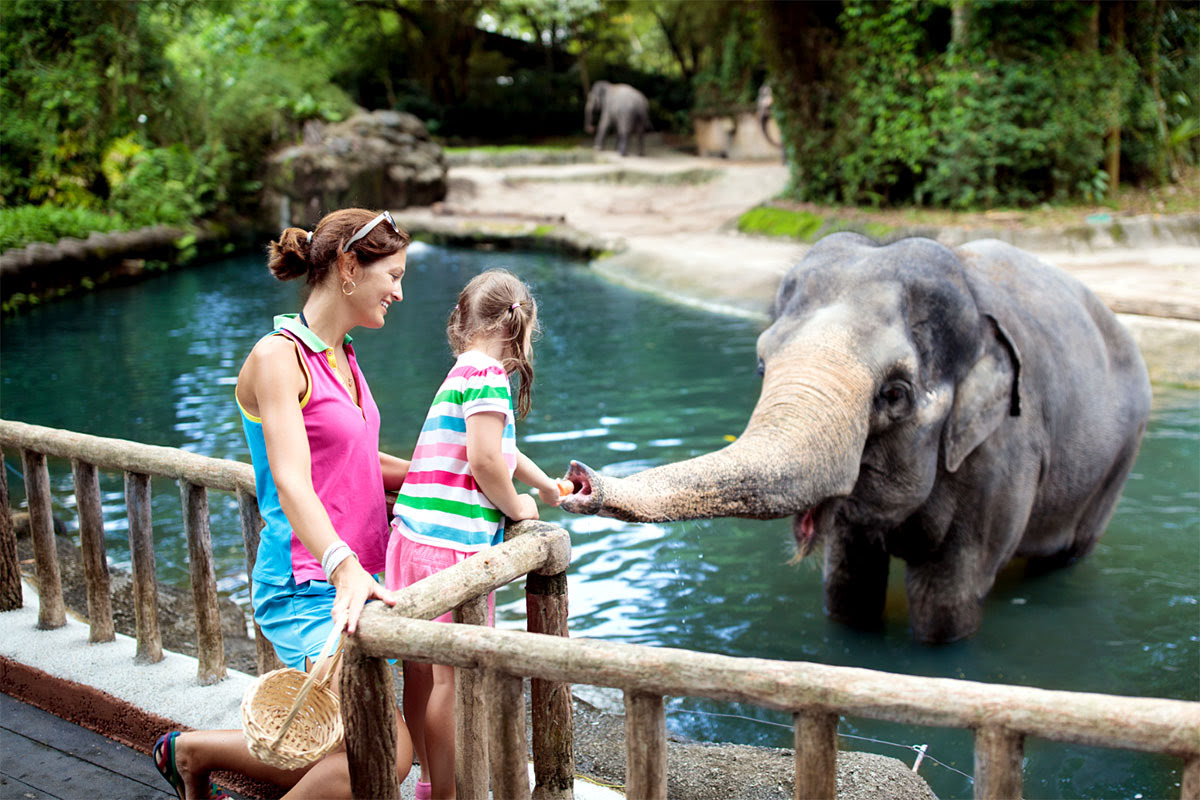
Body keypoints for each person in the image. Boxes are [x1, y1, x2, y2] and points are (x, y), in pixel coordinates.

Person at [152, 208, 415, 800]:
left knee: (332, 741)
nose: (398, 292)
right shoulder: (278, 357)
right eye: (392, 276)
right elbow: (293, 480)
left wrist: (450, 478)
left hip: (359, 578)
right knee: (387, 751)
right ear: (349, 267)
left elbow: (358, 463)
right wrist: (343, 565)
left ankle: (190, 751)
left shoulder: (344, 356)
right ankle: (189, 752)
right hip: (308, 583)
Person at [386, 269, 564, 800]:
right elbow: (486, 462)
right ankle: (447, 793)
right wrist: (517, 505)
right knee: (451, 680)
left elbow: (502, 448)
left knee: (419, 671)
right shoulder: (490, 376)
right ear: (520, 329)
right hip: (451, 548)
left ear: (464, 323)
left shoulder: (464, 371)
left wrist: (544, 487)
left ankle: (425, 778)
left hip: (412, 538)